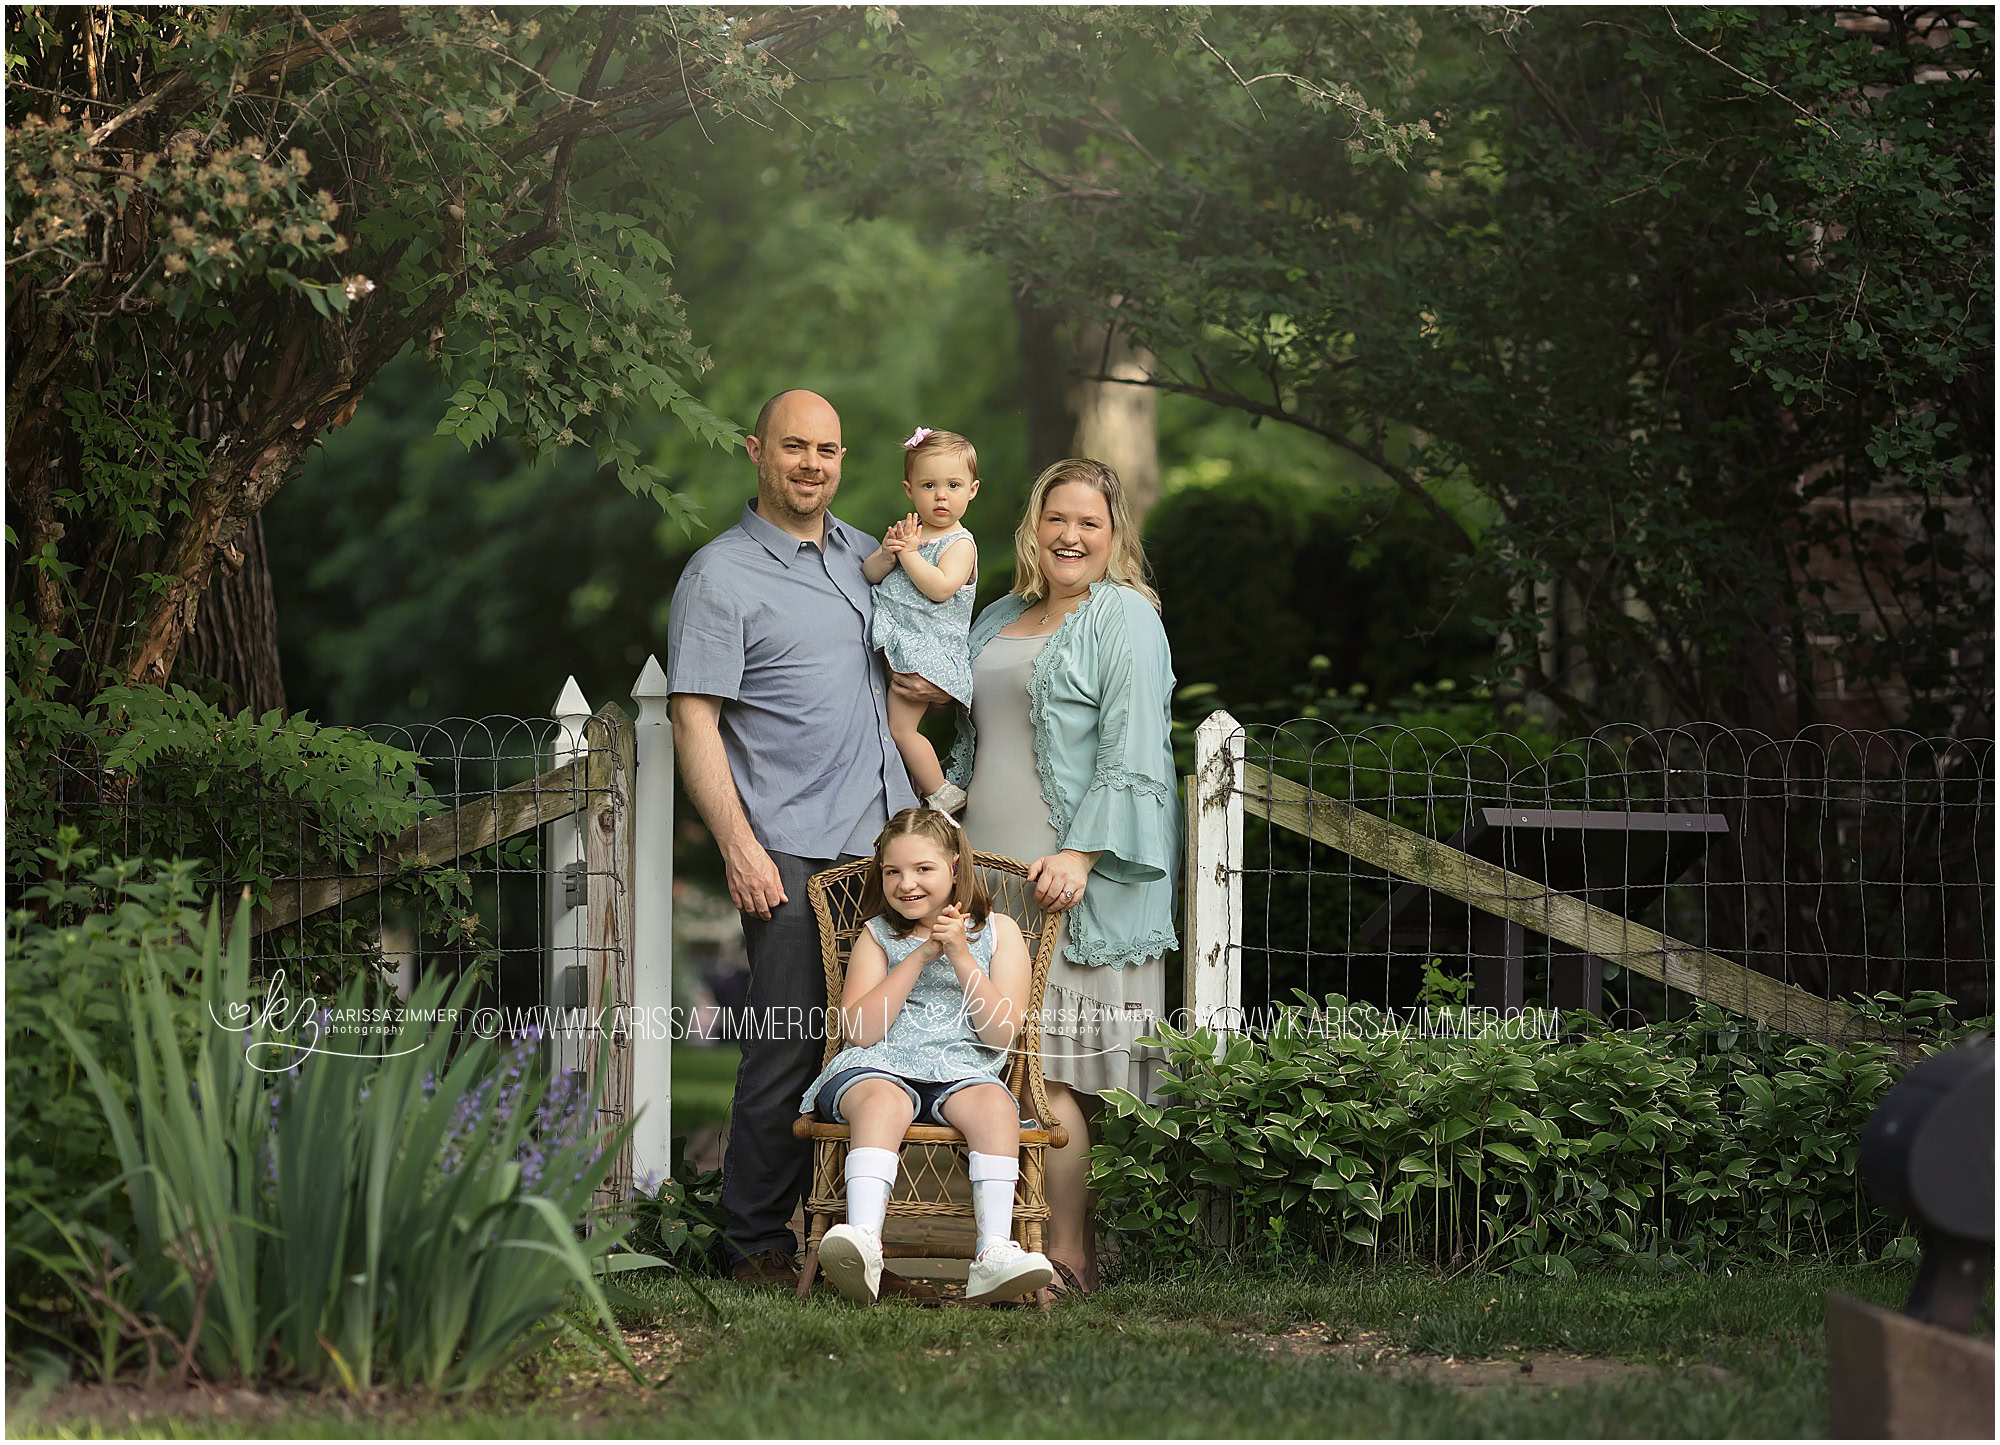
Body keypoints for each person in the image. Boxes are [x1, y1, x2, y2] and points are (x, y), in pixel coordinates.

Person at [666, 389, 920, 1290]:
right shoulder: (719, 576)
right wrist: (738, 845)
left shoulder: (868, 556)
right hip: (793, 850)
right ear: (756, 451)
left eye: (829, 450)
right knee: (788, 1040)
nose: (813, 464)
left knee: (884, 1039)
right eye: (795, 447)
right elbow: (695, 723)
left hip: (890, 849)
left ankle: (864, 1229)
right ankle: (754, 1243)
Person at [941, 457, 1180, 1299]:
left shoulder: (1125, 617)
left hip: (1070, 882)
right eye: (1056, 519)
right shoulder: (1001, 612)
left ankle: (1068, 1255)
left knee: (1055, 1074)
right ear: (1032, 528)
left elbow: (1134, 747)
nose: (1071, 536)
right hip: (988, 878)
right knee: (992, 1069)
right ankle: (998, 1246)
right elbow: (968, 730)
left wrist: (1080, 854)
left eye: (1090, 523)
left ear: (1114, 536)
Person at [801, 809, 1055, 1305]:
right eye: (892, 871)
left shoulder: (999, 933)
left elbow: (1002, 1034)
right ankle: (865, 1243)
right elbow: (859, 1031)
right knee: (884, 1102)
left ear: (954, 867)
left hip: (961, 1068)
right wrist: (918, 957)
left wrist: (959, 954)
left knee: (997, 1107)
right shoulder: (880, 935)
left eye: (923, 869)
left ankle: (993, 1254)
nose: (906, 883)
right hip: (875, 1067)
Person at [862, 428, 982, 816]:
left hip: (929, 651)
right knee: (886, 725)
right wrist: (887, 553)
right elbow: (870, 573)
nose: (941, 495)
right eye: (929, 485)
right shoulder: (910, 534)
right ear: (909, 489)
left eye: (953, 485)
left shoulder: (960, 544)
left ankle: (942, 792)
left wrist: (910, 556)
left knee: (901, 729)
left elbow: (942, 587)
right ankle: (914, 786)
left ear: (973, 490)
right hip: (902, 641)